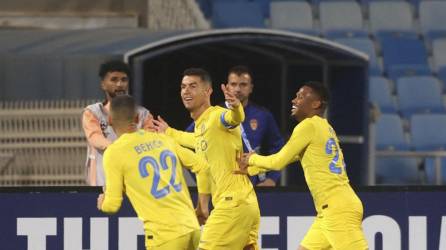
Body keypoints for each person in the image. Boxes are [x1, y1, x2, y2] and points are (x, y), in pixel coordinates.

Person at [237, 82, 369, 250]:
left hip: (337, 209)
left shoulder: (308, 126)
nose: (294, 100)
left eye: (300, 96)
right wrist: (249, 169)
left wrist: (252, 160)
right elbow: (287, 158)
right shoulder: (324, 127)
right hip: (331, 209)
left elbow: (278, 162)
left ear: (316, 104)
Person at [152, 68, 260, 250]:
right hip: (246, 204)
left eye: (193, 86)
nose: (186, 91)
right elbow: (195, 140)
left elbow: (234, 118)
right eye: (183, 87)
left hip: (231, 205)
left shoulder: (217, 116)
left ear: (208, 91)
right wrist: (168, 132)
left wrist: (235, 107)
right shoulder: (201, 127)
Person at [97, 95, 209, 250]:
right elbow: (203, 166)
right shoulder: (163, 139)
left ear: (109, 120)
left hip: (164, 237)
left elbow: (113, 205)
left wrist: (103, 202)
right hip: (192, 229)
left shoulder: (114, 153)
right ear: (137, 118)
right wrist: (202, 207)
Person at [185, 65, 284, 187]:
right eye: (233, 84)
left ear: (251, 88)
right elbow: (187, 143)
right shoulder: (213, 113)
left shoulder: (263, 116)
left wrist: (272, 179)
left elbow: (278, 148)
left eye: (243, 85)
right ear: (227, 87)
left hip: (256, 185)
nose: (237, 89)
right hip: (223, 185)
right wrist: (202, 175)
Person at [82, 60, 153, 186]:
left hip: (135, 182)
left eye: (124, 80)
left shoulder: (143, 114)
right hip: (102, 182)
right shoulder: (93, 112)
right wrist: (122, 147)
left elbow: (151, 140)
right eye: (114, 80)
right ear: (103, 84)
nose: (120, 84)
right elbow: (95, 138)